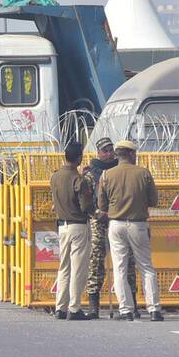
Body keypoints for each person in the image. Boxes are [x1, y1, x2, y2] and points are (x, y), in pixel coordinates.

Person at [97, 140, 162, 321]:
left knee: (120, 269)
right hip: (138, 224)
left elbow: (101, 205)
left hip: (116, 224)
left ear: (117, 155)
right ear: (132, 154)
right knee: (146, 267)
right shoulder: (144, 173)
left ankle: (125, 310)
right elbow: (153, 201)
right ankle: (154, 309)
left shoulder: (106, 175)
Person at [85, 136, 136, 318]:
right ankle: (93, 305)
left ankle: (132, 303)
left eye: (110, 150)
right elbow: (86, 199)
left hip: (118, 218)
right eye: (104, 151)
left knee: (127, 261)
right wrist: (98, 213)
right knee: (96, 261)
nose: (108, 154)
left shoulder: (120, 170)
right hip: (98, 220)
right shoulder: (90, 173)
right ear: (98, 152)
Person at [49, 142, 93, 321]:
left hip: (62, 227)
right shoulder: (79, 180)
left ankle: (60, 307)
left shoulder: (55, 176)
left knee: (64, 267)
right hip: (78, 226)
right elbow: (85, 205)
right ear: (80, 158)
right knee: (78, 268)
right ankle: (74, 308)